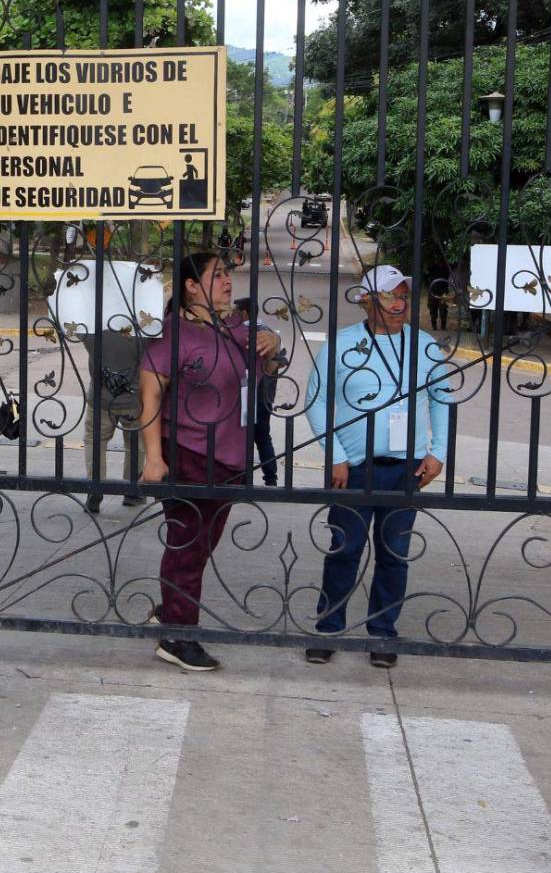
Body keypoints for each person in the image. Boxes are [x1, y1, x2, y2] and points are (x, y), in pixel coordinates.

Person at [139, 252, 281, 671]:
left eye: (228, 274)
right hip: (189, 453)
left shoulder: (237, 327)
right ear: (190, 285)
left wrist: (273, 344)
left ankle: (170, 611)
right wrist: (153, 458)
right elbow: (149, 393)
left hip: (231, 457)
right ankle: (177, 637)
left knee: (199, 548)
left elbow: (264, 369)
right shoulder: (174, 333)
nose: (227, 281)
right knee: (188, 546)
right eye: (216, 275)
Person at [304, 264, 449, 668]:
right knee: (343, 550)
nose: (400, 303)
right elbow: (315, 400)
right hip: (353, 468)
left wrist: (438, 452)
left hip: (407, 468)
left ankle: (383, 633)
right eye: (390, 296)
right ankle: (328, 628)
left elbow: (442, 399)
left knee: (394, 553)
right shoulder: (343, 344)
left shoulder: (424, 346)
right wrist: (334, 454)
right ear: (367, 301)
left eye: (404, 295)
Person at [81, 326, 146, 513]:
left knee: (95, 440)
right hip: (134, 397)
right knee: (135, 442)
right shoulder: (141, 326)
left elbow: (74, 326)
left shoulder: (94, 325)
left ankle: (96, 484)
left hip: (101, 398)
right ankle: (133, 488)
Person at [233, 296, 279, 486]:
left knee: (244, 436)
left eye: (236, 312)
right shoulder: (268, 332)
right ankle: (271, 479)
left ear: (243, 313)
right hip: (266, 394)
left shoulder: (247, 333)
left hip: (250, 393)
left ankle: (246, 480)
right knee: (262, 436)